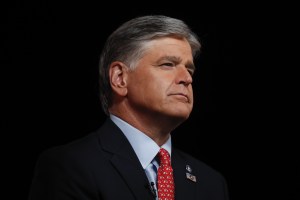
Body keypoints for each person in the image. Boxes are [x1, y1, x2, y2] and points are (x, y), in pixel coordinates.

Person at [28, 15, 230, 200]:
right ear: (120, 78)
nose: (186, 78)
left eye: (189, 69)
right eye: (168, 64)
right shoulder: (69, 166)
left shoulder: (211, 183)